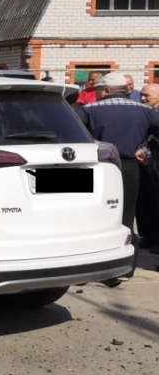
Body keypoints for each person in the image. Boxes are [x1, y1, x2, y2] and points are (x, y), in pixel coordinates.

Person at [76, 71, 159, 238]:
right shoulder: (146, 111)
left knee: (97, 210)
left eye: (98, 90)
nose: (96, 94)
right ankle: (127, 248)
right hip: (130, 166)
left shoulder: (88, 111)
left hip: (98, 166)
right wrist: (145, 150)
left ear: (107, 91)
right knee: (127, 211)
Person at [135, 83, 159, 249]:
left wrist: (145, 150)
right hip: (144, 164)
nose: (142, 98)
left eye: (147, 96)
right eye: (141, 95)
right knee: (145, 201)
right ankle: (148, 236)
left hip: (155, 162)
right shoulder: (143, 111)